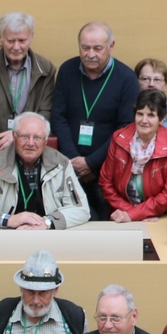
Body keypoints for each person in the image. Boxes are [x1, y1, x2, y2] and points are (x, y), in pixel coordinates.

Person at [49, 21, 141, 220]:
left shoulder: (126, 78)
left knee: (101, 226)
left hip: (107, 170)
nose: (90, 54)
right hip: (67, 165)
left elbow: (125, 129)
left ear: (111, 46)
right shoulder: (67, 70)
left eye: (97, 48)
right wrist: (74, 160)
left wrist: (91, 163)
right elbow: (58, 116)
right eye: (85, 47)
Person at [0, 112, 90, 230]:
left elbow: (81, 209)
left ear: (45, 141)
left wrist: (47, 223)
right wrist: (9, 220)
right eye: (24, 137)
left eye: (37, 137)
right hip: (6, 236)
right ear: (14, 137)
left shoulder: (62, 164)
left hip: (49, 236)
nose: (31, 143)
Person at [0, 12, 57, 153]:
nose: (16, 47)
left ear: (31, 37)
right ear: (0, 37)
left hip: (31, 149)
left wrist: (19, 137)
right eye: (11, 41)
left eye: (22, 40)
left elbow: (46, 112)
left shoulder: (46, 69)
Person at [98, 88, 167, 222]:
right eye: (140, 114)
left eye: (151, 115)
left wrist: (134, 214)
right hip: (120, 214)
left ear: (161, 119)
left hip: (157, 216)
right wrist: (130, 213)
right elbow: (105, 182)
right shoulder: (118, 138)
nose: (144, 120)